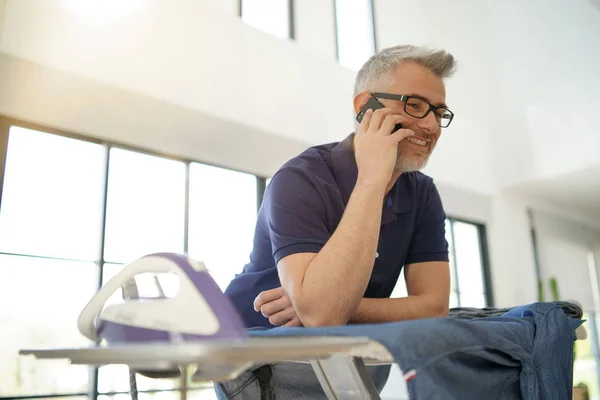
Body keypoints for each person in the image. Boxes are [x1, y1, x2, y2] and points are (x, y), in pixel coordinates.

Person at [216, 44, 456, 399]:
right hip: (259, 364)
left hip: (345, 360)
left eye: (440, 112)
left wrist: (322, 303)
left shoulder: (421, 194)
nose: (432, 125)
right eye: (415, 105)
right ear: (365, 107)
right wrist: (373, 178)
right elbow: (324, 315)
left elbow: (434, 307)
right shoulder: (300, 179)